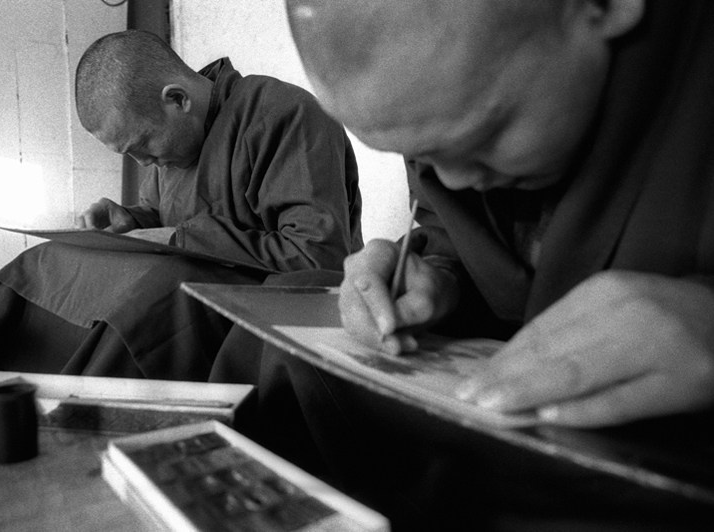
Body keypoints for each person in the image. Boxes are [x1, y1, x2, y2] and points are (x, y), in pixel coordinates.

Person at [207, 1, 714, 529]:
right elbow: (450, 230)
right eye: (421, 156)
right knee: (288, 348)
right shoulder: (458, 112)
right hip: (500, 407)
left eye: (484, 139)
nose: (450, 183)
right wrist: (431, 273)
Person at [0, 29, 362, 379]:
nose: (143, 162)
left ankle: (70, 414)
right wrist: (129, 220)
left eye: (142, 146)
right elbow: (162, 218)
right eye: (129, 154)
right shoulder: (172, 142)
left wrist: (181, 237)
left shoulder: (284, 114)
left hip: (263, 308)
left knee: (157, 295)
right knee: (47, 260)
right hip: (187, 281)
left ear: (177, 99)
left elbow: (316, 257)